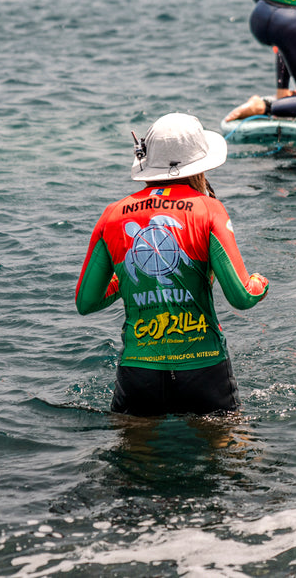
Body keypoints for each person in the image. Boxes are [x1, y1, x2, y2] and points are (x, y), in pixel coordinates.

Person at [75, 112, 269, 417]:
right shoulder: (209, 210)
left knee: (134, 464)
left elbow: (86, 301)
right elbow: (242, 297)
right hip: (204, 370)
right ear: (200, 167)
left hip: (138, 374)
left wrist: (126, 280)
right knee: (231, 459)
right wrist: (261, 282)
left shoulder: (113, 215)